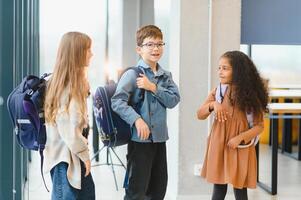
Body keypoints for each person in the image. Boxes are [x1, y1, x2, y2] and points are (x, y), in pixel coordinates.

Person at [111, 25, 180, 200]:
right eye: (150, 44)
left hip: (159, 139)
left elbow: (173, 100)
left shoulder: (166, 76)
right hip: (139, 141)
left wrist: (153, 88)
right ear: (139, 49)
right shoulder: (132, 75)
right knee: (137, 191)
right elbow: (117, 102)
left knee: (158, 189)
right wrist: (137, 120)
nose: (155, 48)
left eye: (159, 44)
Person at [197, 51, 268, 200]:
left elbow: (259, 126)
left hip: (240, 147)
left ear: (238, 71)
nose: (220, 72)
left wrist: (240, 138)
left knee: (240, 189)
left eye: (225, 68)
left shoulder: (251, 96)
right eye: (219, 68)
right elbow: (200, 114)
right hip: (219, 144)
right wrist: (212, 105)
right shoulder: (218, 92)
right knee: (219, 188)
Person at [44, 32, 95, 200]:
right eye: (88, 50)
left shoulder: (73, 84)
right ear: (77, 52)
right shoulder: (67, 88)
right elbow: (70, 132)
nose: (92, 54)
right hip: (65, 160)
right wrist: (85, 156)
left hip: (72, 156)